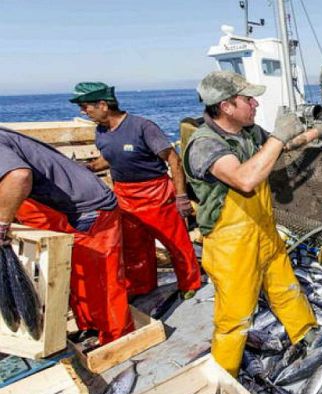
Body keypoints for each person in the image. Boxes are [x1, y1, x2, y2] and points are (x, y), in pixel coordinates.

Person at [183, 71, 322, 375]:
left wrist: (320, 131)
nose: (255, 103)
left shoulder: (247, 132)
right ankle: (224, 376)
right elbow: (245, 179)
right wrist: (276, 136)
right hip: (230, 244)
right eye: (248, 99)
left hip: (263, 230)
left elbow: (282, 147)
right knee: (234, 316)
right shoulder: (205, 144)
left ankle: (306, 335)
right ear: (226, 106)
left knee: (286, 287)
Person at [0, 127, 134, 345]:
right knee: (75, 275)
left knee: (101, 280)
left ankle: (118, 339)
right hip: (64, 208)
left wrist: (2, 225)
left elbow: (19, 177)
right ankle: (92, 329)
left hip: (87, 209)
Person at [69, 82, 202, 299]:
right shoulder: (101, 132)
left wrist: (181, 196)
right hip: (124, 196)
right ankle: (142, 287)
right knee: (134, 247)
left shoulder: (142, 127)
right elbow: (108, 157)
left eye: (86, 107)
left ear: (103, 105)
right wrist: (92, 167)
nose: (83, 112)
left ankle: (190, 283)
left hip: (155, 193)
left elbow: (173, 160)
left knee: (176, 243)